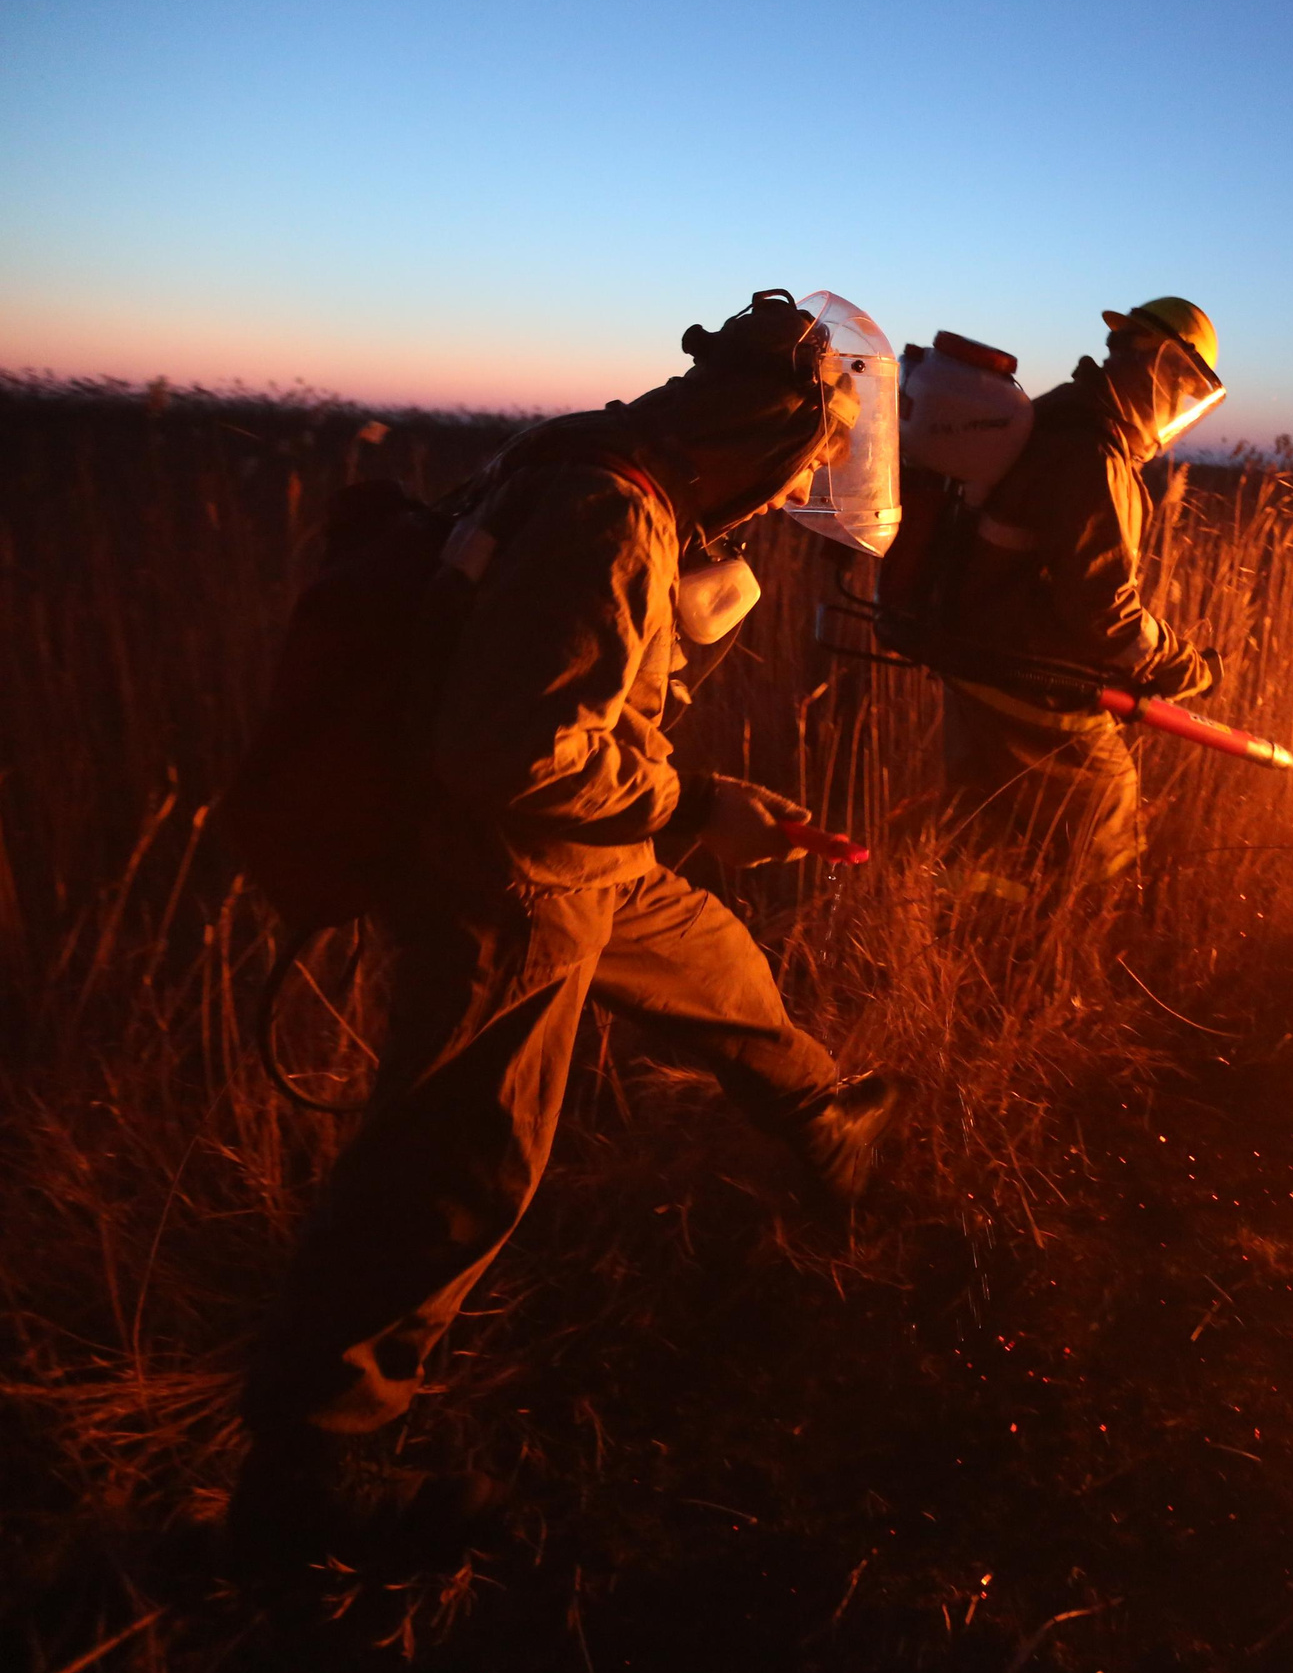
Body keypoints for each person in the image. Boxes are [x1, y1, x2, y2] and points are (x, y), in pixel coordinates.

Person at [229, 291, 902, 1558]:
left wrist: (677, 757)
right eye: (807, 459)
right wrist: (699, 798)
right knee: (457, 1171)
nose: (798, 486)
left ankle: (825, 1118)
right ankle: (307, 1482)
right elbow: (514, 754)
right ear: (765, 427)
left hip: (591, 856)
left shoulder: (602, 458)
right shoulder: (612, 513)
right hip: (513, 881)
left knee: (714, 961)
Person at [933, 296, 1228, 900]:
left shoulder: (1059, 417)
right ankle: (1077, 964)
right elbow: (1105, 613)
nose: (1179, 404)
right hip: (1029, 680)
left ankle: (959, 945)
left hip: (978, 660)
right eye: (1183, 385)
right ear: (1163, 367)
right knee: (1105, 833)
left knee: (985, 839)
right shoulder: (1094, 452)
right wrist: (1183, 667)